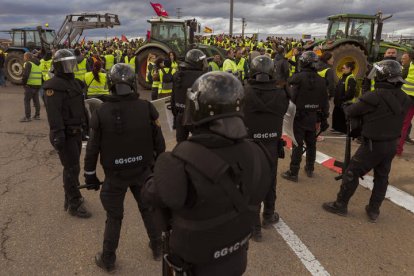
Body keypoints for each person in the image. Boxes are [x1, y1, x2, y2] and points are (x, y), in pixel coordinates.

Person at [142, 71, 273, 276]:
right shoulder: (258, 153)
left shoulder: (181, 160)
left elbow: (151, 195)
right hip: (237, 259)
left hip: (195, 265)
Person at [83, 64, 166, 272]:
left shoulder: (101, 112)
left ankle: (108, 259)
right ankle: (157, 247)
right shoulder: (146, 107)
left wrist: (90, 175)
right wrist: (156, 168)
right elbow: (160, 144)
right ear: (133, 84)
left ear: (110, 86)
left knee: (114, 217)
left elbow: (92, 149)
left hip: (116, 176)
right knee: (147, 209)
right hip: (142, 171)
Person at [322, 60, 410, 222]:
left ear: (382, 77)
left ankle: (340, 204)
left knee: (351, 172)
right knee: (382, 177)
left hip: (373, 145)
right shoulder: (404, 98)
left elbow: (351, 111)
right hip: (391, 144)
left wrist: (349, 106)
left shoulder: (374, 96)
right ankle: (374, 209)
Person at [243, 55, 289, 242]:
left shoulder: (243, 91)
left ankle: (255, 229)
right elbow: (284, 110)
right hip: (271, 144)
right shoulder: (281, 93)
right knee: (270, 182)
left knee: (251, 184)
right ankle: (268, 216)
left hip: (249, 144)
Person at [43, 49, 91, 218]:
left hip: (76, 132)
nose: (70, 67)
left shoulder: (75, 83)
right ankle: (74, 203)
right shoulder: (53, 87)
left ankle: (70, 194)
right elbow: (54, 115)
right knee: (71, 168)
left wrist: (86, 126)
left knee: (74, 167)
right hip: (65, 134)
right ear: (58, 66)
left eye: (72, 63)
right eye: (66, 64)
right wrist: (58, 135)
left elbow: (81, 106)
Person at [281, 51, 329, 182]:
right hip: (313, 116)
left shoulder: (297, 78)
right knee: (311, 144)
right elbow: (325, 101)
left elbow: (291, 96)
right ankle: (309, 168)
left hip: (298, 116)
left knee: (297, 144)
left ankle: (293, 171)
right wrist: (324, 118)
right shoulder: (321, 80)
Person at [171, 49, 207, 142]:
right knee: (200, 143)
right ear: (197, 61)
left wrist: (176, 116)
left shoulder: (178, 75)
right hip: (196, 117)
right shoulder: (202, 76)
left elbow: (173, 98)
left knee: (180, 143)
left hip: (180, 115)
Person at [331, 62, 357, 134]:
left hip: (345, 102)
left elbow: (351, 92)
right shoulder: (342, 76)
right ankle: (336, 128)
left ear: (349, 69)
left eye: (343, 68)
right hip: (338, 101)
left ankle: (342, 130)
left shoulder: (351, 78)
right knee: (336, 114)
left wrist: (343, 98)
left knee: (342, 116)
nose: (342, 69)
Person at [396, 51, 414, 155]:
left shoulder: (409, 67)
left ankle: (398, 149)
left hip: (409, 99)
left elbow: (400, 79)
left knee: (404, 125)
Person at [21, 52, 41, 122]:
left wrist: (24, 83)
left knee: (27, 101)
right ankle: (37, 115)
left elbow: (25, 75)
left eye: (24, 56)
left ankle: (27, 117)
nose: (23, 58)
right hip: (37, 85)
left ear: (26, 57)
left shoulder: (28, 64)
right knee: (36, 101)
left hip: (30, 85)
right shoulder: (38, 64)